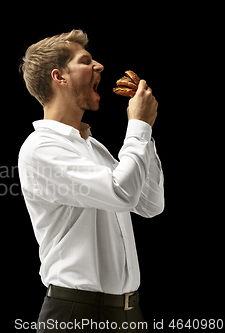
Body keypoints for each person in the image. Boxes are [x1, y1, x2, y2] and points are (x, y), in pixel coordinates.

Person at [18, 30, 164, 332]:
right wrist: (137, 126)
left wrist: (145, 133)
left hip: (127, 313)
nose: (99, 66)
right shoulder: (41, 148)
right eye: (86, 61)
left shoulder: (92, 146)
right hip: (77, 315)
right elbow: (121, 193)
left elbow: (150, 204)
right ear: (59, 77)